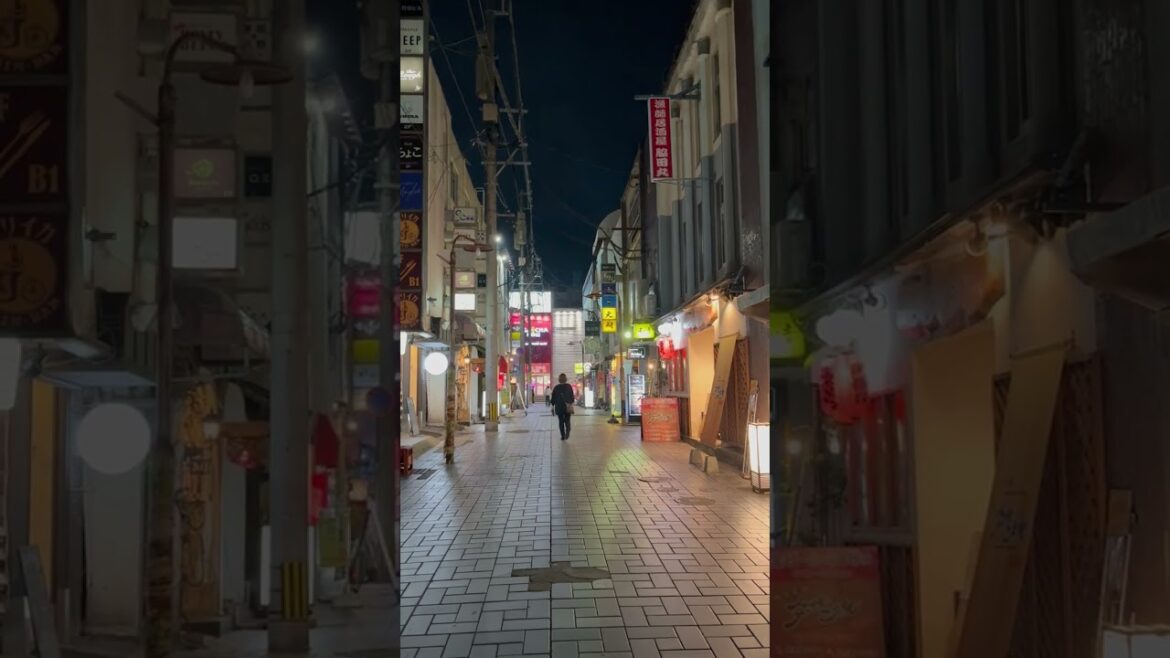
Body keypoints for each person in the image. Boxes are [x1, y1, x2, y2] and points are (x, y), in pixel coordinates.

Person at [550, 373, 575, 441]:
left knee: (561, 421)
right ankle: (567, 432)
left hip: (559, 407)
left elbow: (553, 398)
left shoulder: (556, 387)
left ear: (559, 379)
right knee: (567, 420)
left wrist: (552, 406)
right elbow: (572, 397)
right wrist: (571, 402)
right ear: (565, 379)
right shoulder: (569, 386)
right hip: (567, 407)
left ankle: (562, 436)